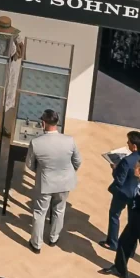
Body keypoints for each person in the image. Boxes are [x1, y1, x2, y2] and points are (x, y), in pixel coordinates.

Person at [27, 107, 80, 252]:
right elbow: (77, 161)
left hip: (45, 183)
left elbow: (30, 164)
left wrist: (41, 172)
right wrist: (67, 172)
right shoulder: (70, 140)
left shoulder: (36, 143)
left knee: (39, 212)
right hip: (65, 182)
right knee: (59, 210)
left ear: (43, 123)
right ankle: (53, 238)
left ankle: (36, 244)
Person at [106, 130, 140, 252]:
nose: (127, 143)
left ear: (134, 146)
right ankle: (131, 249)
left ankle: (112, 242)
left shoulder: (126, 161)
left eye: (129, 142)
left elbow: (119, 180)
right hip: (137, 192)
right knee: (133, 221)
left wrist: (115, 169)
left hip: (123, 193)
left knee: (114, 215)